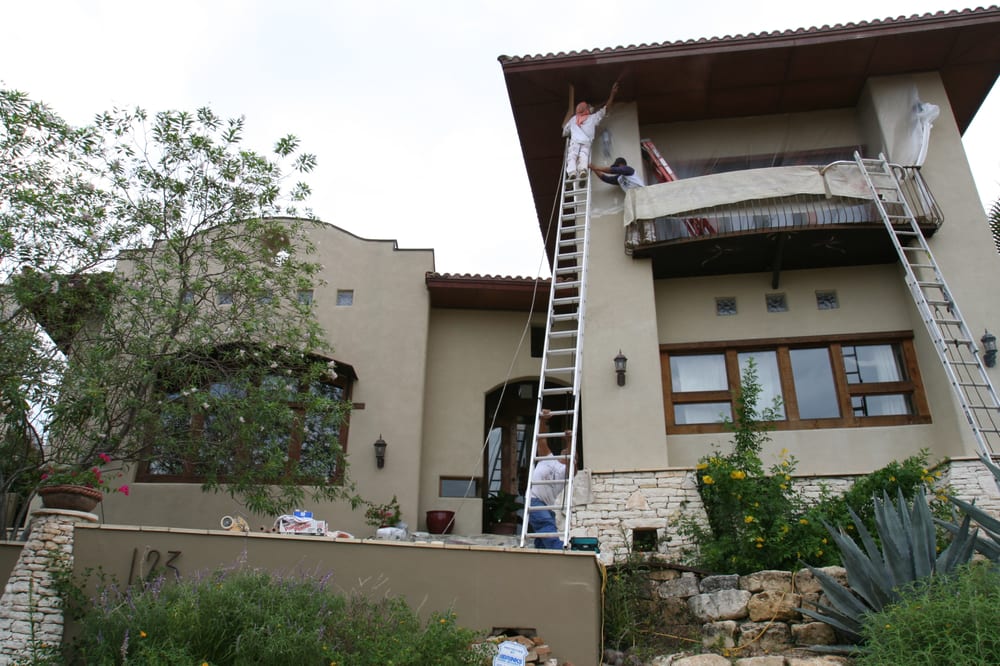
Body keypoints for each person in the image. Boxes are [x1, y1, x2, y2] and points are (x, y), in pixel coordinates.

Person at [528, 409, 574, 549]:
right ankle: (559, 551)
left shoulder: (565, 472)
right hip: (535, 500)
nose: (566, 452)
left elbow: (573, 465)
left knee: (542, 539)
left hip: (548, 506)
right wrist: (543, 420)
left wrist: (570, 441)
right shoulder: (548, 458)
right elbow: (541, 439)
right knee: (547, 526)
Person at [562, 82, 618, 179]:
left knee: (572, 156)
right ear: (586, 109)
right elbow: (606, 109)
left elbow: (564, 131)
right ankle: (583, 170)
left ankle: (572, 172)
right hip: (586, 142)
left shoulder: (573, 119)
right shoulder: (593, 118)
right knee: (584, 156)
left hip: (575, 142)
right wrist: (612, 94)